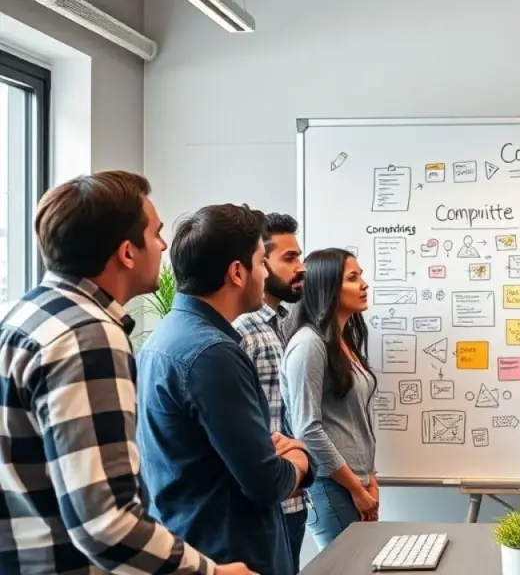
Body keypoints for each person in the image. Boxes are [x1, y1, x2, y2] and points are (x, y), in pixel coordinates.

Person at [0, 172, 252, 574]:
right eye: (155, 233)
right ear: (127, 253)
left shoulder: (24, 315)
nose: (165, 245)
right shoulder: (87, 335)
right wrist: (212, 572)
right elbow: (106, 522)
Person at [136, 204, 316, 575]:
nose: (266, 274)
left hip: (196, 546)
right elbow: (266, 482)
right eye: (261, 262)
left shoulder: (164, 338)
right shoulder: (213, 353)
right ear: (237, 272)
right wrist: (299, 458)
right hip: (234, 557)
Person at [281, 248, 379, 549]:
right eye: (353, 278)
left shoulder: (344, 341)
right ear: (328, 286)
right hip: (332, 484)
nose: (364, 284)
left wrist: (370, 478)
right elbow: (307, 429)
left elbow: (355, 419)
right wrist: (356, 488)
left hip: (357, 482)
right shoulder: (309, 344)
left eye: (361, 276)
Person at [233, 212, 308, 574]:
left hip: (292, 497)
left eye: (300, 256)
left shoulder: (281, 325)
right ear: (261, 263)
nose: (302, 267)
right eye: (289, 258)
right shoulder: (242, 330)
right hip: (268, 503)